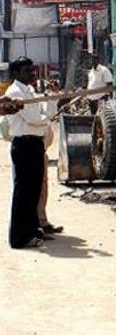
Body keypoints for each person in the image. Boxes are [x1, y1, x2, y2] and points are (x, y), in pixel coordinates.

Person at [4, 58, 58, 249]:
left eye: (33, 70)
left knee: (34, 191)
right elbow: (34, 119)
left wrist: (52, 96)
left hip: (35, 144)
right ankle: (18, 237)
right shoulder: (15, 93)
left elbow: (47, 113)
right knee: (23, 193)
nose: (32, 74)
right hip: (24, 145)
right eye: (28, 71)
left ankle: (33, 230)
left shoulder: (30, 91)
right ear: (16, 74)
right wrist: (45, 119)